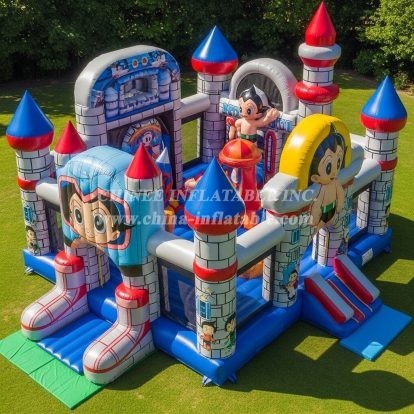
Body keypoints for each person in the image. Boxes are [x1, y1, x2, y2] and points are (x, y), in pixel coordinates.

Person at [309, 126, 346, 231]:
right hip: (326, 211)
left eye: (338, 163)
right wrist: (314, 218)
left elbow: (340, 194)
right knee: (320, 226)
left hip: (331, 209)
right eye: (329, 167)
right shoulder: (324, 187)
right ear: (315, 178)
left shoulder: (334, 183)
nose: (334, 171)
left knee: (327, 225)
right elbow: (317, 205)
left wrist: (339, 206)